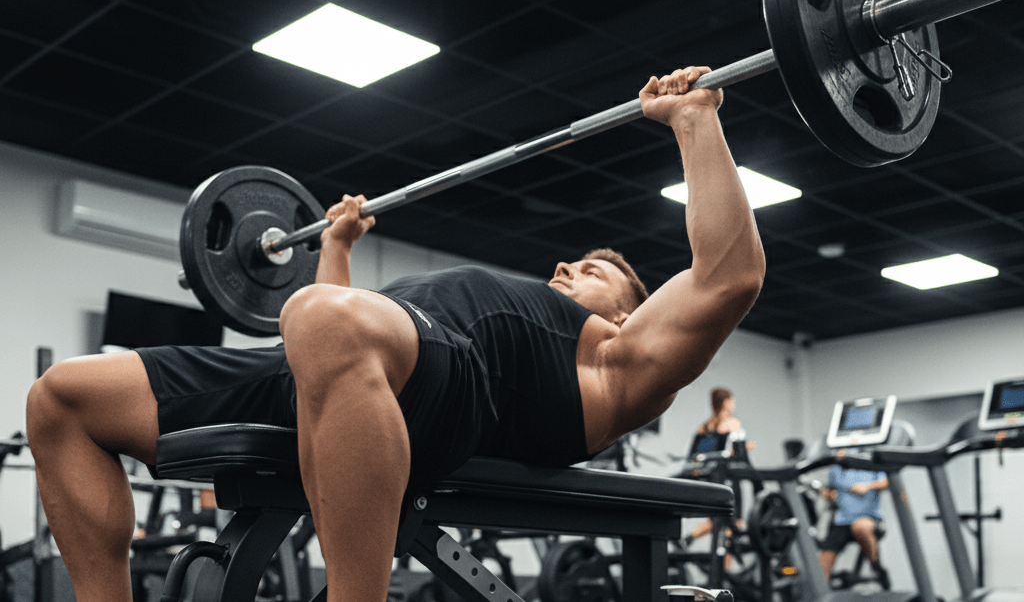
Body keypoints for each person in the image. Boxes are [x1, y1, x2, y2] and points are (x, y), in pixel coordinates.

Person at [25, 66, 765, 602]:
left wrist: (694, 120)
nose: (566, 265)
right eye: (571, 261)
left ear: (631, 315)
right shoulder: (355, 322)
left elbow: (728, 276)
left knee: (322, 318)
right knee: (62, 400)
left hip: (456, 390)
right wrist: (336, 246)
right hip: (330, 364)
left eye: (594, 270)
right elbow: (332, 348)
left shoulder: (616, 360)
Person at [684, 387, 743, 547]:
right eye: (732, 400)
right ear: (726, 402)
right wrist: (746, 447)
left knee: (716, 518)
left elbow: (698, 455)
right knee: (734, 522)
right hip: (728, 478)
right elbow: (734, 452)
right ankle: (726, 561)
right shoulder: (732, 424)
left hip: (710, 479)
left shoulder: (704, 427)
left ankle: (687, 539)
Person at [819, 465, 891, 590]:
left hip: (868, 518)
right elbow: (830, 488)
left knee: (860, 527)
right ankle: (822, 589)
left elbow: (885, 482)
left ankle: (876, 567)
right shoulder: (837, 468)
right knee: (825, 559)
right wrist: (828, 494)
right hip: (842, 521)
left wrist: (867, 486)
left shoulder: (870, 463)